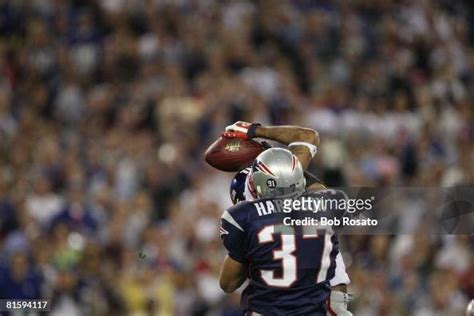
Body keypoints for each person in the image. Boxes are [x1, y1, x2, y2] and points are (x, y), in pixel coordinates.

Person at [224, 122, 351, 315]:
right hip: (324, 298)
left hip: (272, 306)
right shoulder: (323, 201)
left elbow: (228, 283)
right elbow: (308, 139)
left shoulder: (244, 217)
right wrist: (256, 131)